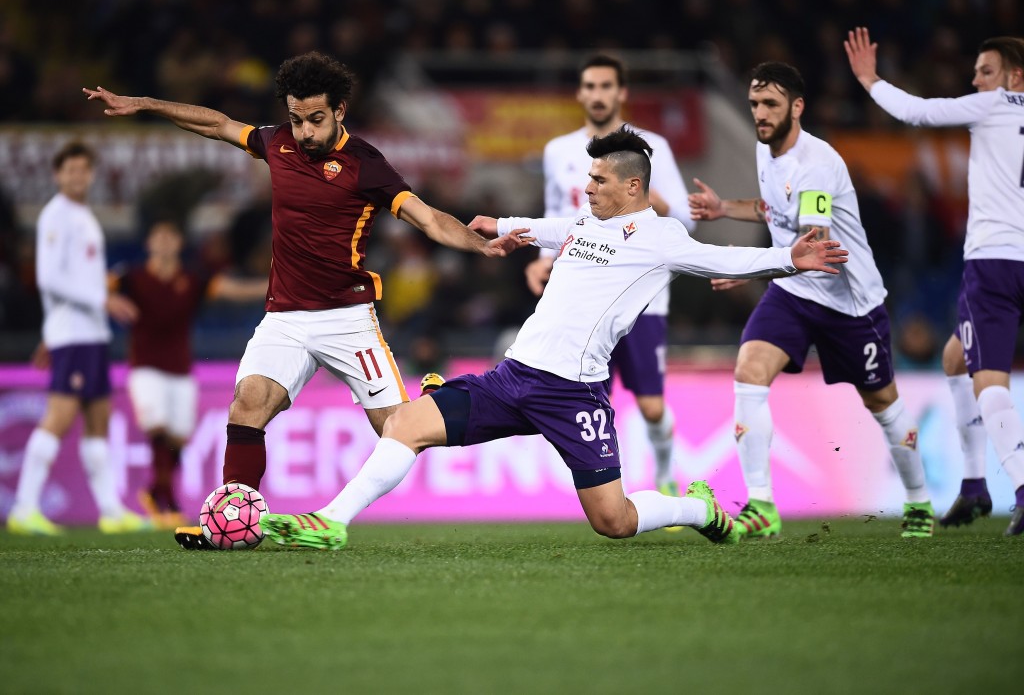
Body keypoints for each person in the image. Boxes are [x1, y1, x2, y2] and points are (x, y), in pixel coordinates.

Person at [256, 126, 848, 550]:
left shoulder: (661, 237)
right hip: (514, 377)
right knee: (406, 424)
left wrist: (789, 260)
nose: (586, 188)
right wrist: (507, 227)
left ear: (634, 187)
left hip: (575, 396)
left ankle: (699, 508)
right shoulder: (590, 221)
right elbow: (560, 227)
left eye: (597, 180)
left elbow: (721, 256)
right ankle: (331, 522)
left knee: (612, 521)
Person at [84, 52, 530, 549]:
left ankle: (438, 400)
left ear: (340, 110)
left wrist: (480, 243)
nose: (305, 133)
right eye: (296, 119)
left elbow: (426, 218)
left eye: (315, 120)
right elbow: (218, 124)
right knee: (247, 406)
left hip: (348, 321)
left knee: (402, 430)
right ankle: (235, 525)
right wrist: (143, 103)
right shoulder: (276, 143)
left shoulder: (366, 166)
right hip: (285, 319)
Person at [688, 62, 936, 539]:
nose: (760, 114)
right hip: (795, 293)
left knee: (882, 401)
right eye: (755, 105)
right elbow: (773, 207)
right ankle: (761, 505)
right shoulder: (768, 152)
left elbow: (814, 246)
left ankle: (919, 500)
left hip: (850, 302)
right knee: (749, 371)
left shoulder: (817, 164)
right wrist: (726, 210)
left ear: (797, 108)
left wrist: (749, 266)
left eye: (771, 106)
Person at [845, 30, 1024, 536]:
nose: (975, 80)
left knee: (988, 380)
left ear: (1014, 77)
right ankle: (972, 487)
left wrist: (870, 80)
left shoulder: (993, 106)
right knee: (954, 358)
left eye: (985, 71)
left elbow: (918, 113)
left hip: (995, 261)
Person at [526, 53, 695, 499]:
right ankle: (605, 486)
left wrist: (641, 185)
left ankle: (663, 474)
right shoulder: (558, 151)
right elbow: (557, 217)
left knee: (652, 406)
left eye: (606, 86)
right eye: (590, 86)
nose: (598, 95)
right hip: (580, 296)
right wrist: (543, 258)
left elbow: (686, 220)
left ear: (621, 93)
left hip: (639, 298)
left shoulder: (650, 147)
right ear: (580, 93)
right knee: (590, 397)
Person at [6, 141, 148, 535]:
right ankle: (24, 508)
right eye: (70, 170)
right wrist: (103, 300)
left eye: (83, 170)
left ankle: (110, 511)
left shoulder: (81, 215)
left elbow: (71, 279)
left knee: (98, 418)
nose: (77, 176)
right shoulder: (56, 215)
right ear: (57, 175)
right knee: (60, 416)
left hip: (88, 334)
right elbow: (49, 278)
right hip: (73, 334)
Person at [113, 219, 268, 529]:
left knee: (178, 438)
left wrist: (275, 286)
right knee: (157, 427)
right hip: (144, 366)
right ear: (149, 244)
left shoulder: (192, 280)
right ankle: (166, 501)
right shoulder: (132, 278)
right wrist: (106, 299)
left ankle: (156, 490)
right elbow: (95, 285)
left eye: (171, 236)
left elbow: (230, 289)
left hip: (181, 369)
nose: (165, 242)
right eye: (160, 236)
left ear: (179, 243)